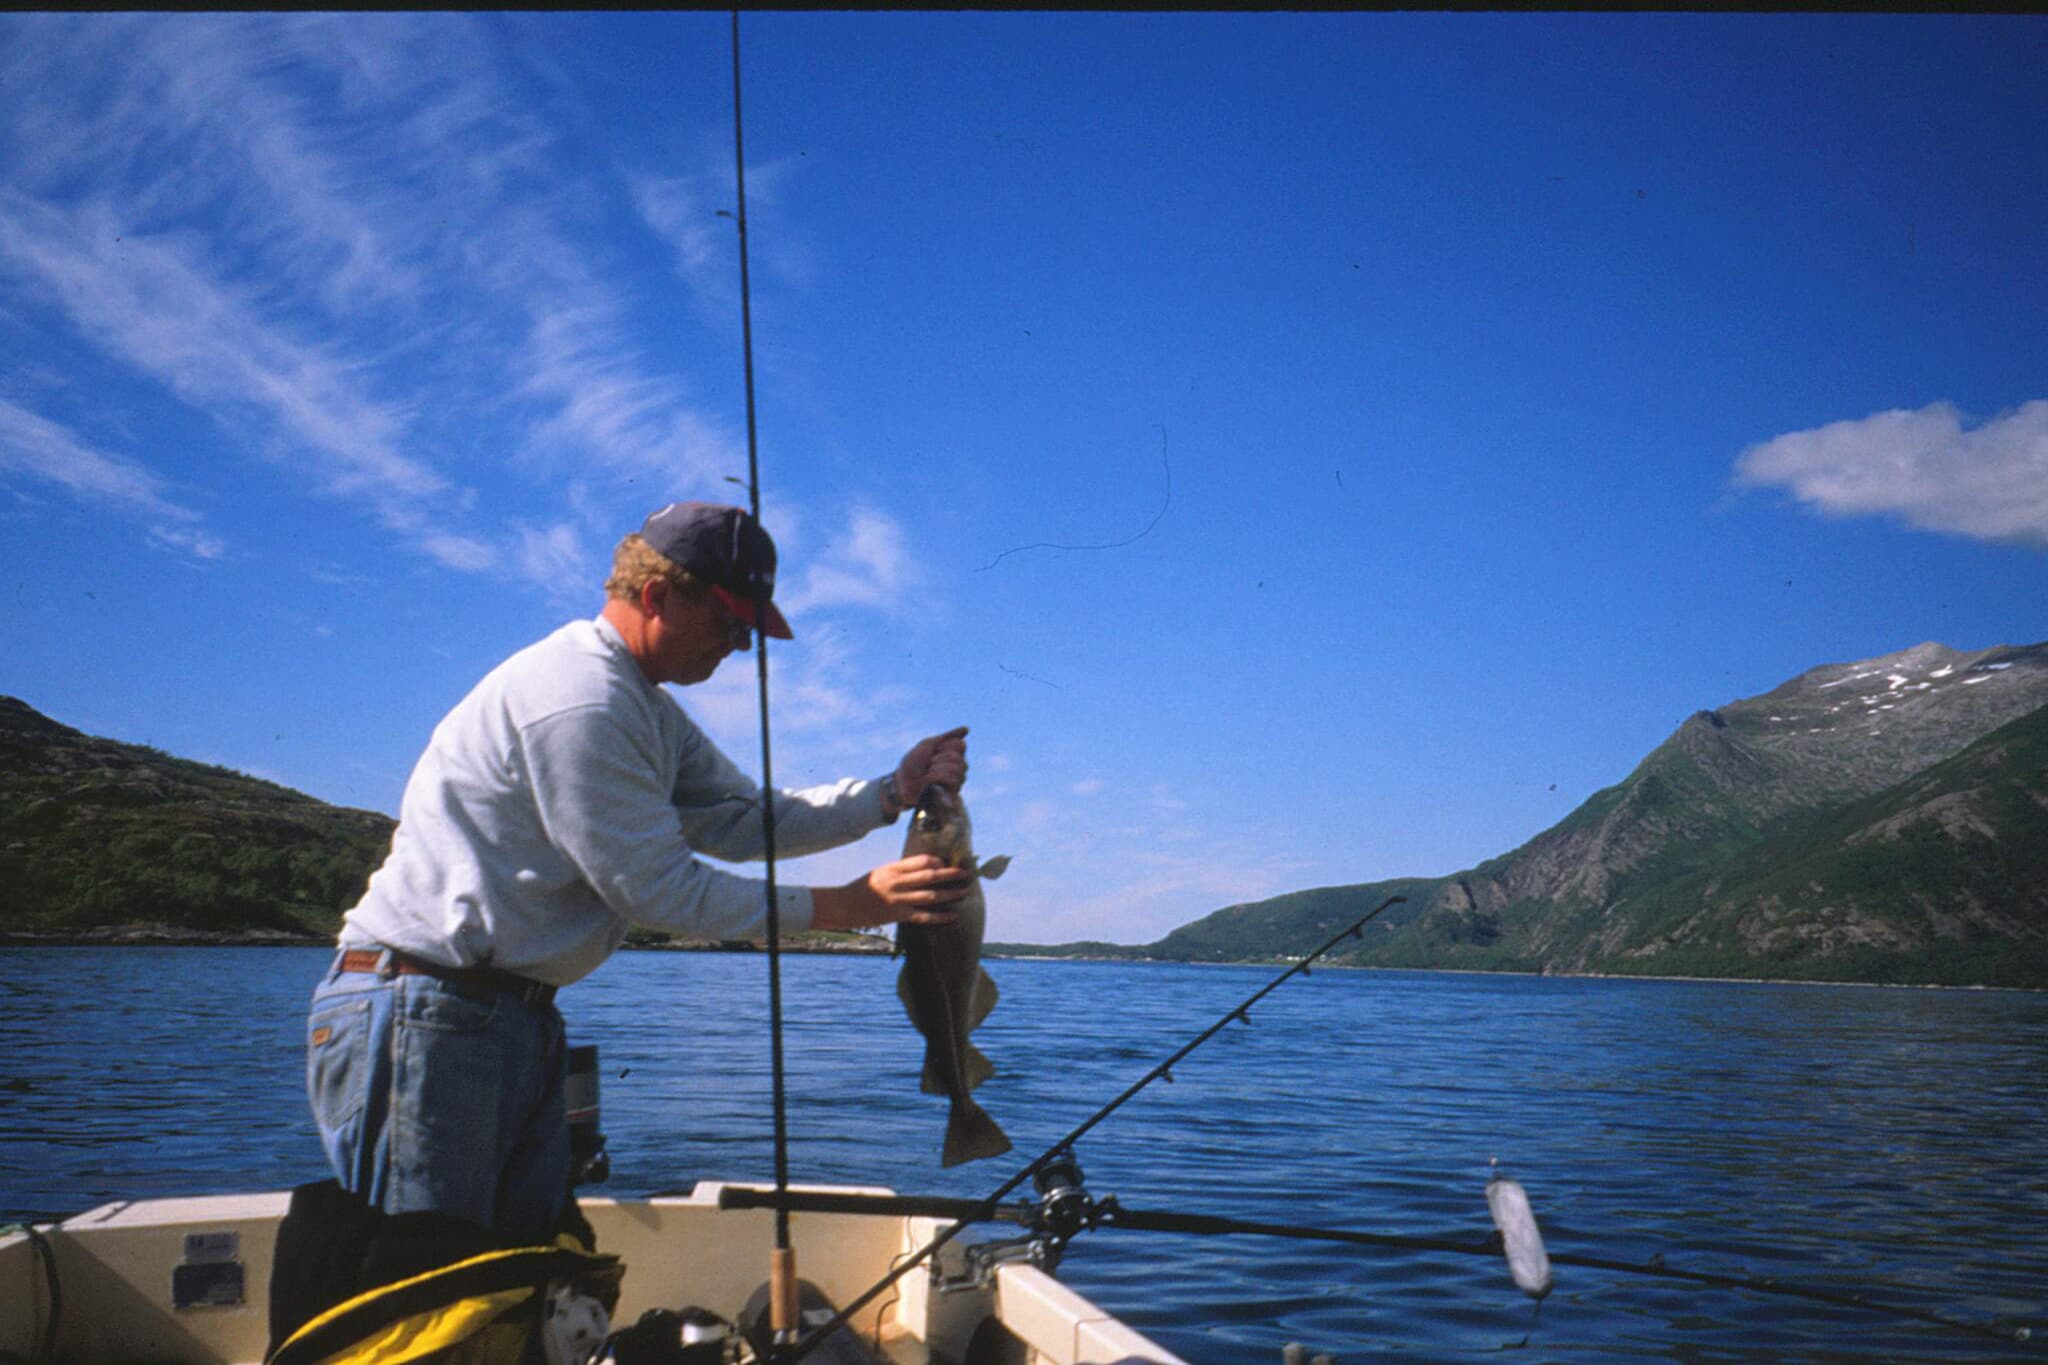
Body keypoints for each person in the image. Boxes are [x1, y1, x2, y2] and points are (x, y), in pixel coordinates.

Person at [305, 501, 970, 1246]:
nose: (741, 646)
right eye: (730, 623)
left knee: (516, 1279)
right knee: (430, 1289)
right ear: (657, 596)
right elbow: (657, 889)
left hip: (496, 1016)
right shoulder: (581, 699)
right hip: (426, 1011)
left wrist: (888, 792)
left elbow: (741, 817)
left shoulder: (640, 707)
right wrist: (844, 905)